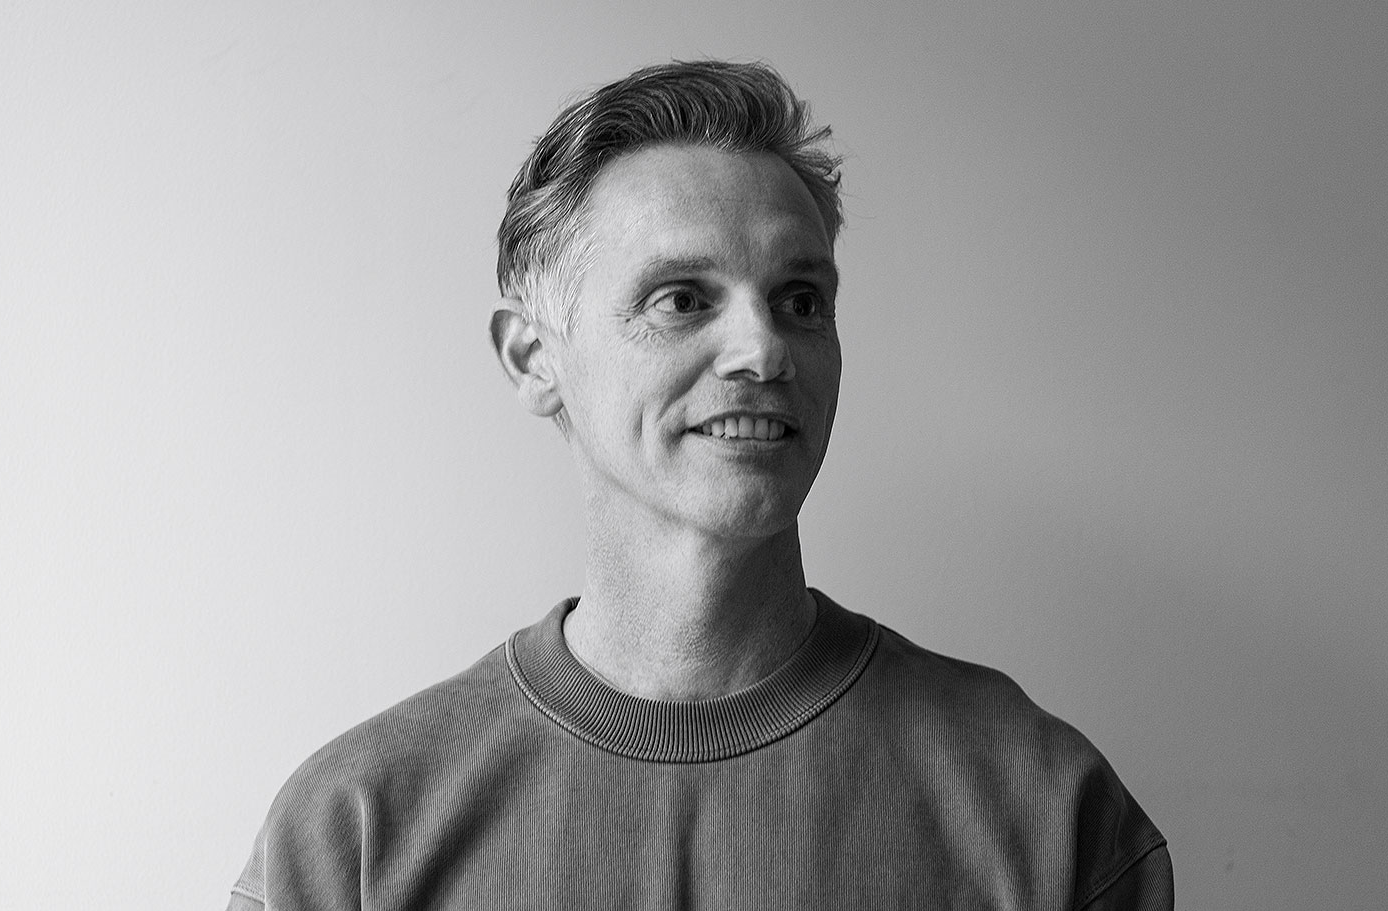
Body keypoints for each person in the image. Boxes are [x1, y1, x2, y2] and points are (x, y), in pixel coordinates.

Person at [226, 59, 1173, 910]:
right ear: (532, 358)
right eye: (681, 297)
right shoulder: (350, 833)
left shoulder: (1045, 806)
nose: (764, 349)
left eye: (801, 301)